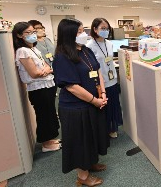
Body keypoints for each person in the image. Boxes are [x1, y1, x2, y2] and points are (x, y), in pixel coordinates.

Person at [52, 18, 109, 186]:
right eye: (79, 32)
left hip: (94, 101)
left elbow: (97, 71)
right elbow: (72, 87)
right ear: (68, 34)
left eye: (83, 30)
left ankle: (90, 163)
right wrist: (95, 101)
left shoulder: (85, 50)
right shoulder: (62, 57)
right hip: (75, 107)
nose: (83, 34)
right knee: (79, 141)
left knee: (91, 137)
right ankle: (82, 177)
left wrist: (103, 93)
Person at [12, 22, 60, 152]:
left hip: (47, 85)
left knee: (50, 114)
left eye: (33, 31)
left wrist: (46, 70)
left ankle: (50, 139)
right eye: (28, 33)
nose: (32, 34)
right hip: (38, 89)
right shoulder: (22, 51)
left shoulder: (34, 48)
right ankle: (46, 144)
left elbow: (46, 66)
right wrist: (45, 70)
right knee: (44, 115)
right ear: (19, 35)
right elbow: (34, 73)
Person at [87, 18, 123, 138]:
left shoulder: (109, 43)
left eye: (107, 28)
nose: (105, 31)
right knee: (103, 108)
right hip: (100, 82)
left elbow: (110, 60)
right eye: (103, 28)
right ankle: (103, 130)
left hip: (112, 79)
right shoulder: (89, 46)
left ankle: (112, 128)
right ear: (94, 29)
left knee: (113, 105)